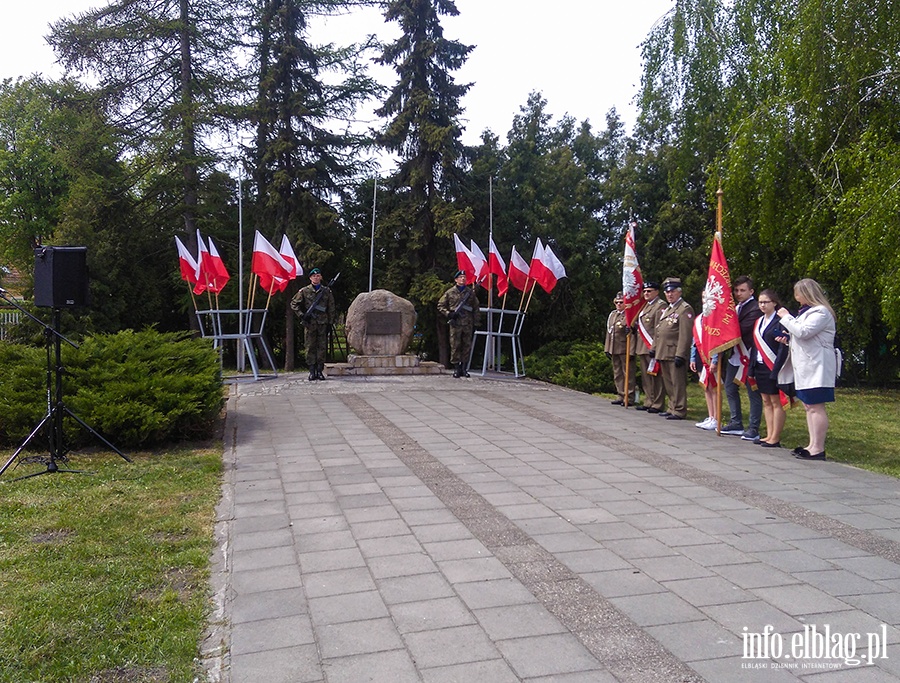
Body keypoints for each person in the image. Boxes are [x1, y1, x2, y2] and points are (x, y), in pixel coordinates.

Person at [776, 278, 837, 461]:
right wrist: (788, 338)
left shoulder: (821, 312)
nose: (796, 297)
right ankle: (812, 444)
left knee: (816, 406)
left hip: (817, 366)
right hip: (806, 366)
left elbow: (803, 331)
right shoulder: (807, 313)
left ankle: (818, 448)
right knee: (809, 406)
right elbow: (800, 334)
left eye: (798, 293)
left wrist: (786, 317)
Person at [720, 275, 763, 441]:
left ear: (751, 291)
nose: (739, 293)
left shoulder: (755, 308)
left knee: (753, 393)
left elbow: (742, 329)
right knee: (730, 388)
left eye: (742, 290)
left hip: (749, 354)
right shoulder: (735, 307)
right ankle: (736, 422)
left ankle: (753, 427)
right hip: (736, 355)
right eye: (736, 290)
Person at [750, 289, 791, 448]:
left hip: (774, 366)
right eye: (760, 302)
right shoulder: (759, 321)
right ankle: (769, 434)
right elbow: (755, 346)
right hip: (760, 365)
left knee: (776, 402)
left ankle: (775, 437)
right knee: (766, 401)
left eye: (766, 302)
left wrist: (778, 368)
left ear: (774, 302)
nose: (762, 305)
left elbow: (783, 347)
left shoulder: (781, 321)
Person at [651, 277, 694, 420]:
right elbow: (659, 331)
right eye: (667, 292)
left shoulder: (684, 309)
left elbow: (685, 334)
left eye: (673, 292)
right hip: (664, 350)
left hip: (674, 351)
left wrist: (681, 354)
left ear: (679, 292)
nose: (670, 294)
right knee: (668, 383)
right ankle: (672, 407)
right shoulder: (668, 309)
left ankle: (680, 409)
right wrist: (655, 348)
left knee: (677, 383)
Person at [290, 267, 335, 381]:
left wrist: (330, 322)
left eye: (318, 275)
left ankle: (319, 371)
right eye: (314, 276)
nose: (316, 277)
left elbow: (331, 308)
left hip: (322, 323)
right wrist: (302, 315)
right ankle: (311, 371)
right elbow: (294, 304)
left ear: (321, 277)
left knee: (321, 347)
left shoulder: (326, 291)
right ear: (310, 278)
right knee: (310, 347)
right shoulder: (304, 291)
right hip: (310, 324)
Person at [437, 270, 481, 378]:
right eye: (460, 277)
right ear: (456, 280)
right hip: (455, 323)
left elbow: (476, 308)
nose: (463, 279)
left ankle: (464, 368)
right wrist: (449, 314)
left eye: (464, 277)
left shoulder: (470, 292)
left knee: (466, 346)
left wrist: (476, 322)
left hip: (467, 324)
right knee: (455, 346)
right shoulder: (449, 292)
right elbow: (440, 305)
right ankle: (456, 369)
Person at [634, 281, 666, 413]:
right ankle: (649, 400)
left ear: (657, 292)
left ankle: (657, 403)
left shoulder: (660, 306)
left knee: (656, 377)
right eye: (645, 291)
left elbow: (659, 329)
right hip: (642, 346)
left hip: (652, 345)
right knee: (646, 377)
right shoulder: (645, 306)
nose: (646, 293)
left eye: (649, 291)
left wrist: (655, 346)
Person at [690, 291, 719, 431]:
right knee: (706, 387)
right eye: (702, 297)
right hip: (700, 357)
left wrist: (715, 360)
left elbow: (718, 342)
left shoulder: (715, 318)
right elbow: (694, 341)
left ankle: (717, 418)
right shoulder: (699, 318)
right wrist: (692, 357)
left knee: (714, 388)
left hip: (712, 359)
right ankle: (711, 416)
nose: (704, 300)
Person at [604, 293, 636, 405]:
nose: (618, 304)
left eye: (621, 302)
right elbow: (609, 332)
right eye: (616, 302)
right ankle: (620, 394)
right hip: (614, 348)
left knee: (628, 374)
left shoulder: (629, 315)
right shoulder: (613, 315)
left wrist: (631, 351)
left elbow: (632, 335)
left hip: (624, 349)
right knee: (617, 373)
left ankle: (629, 397)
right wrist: (607, 348)